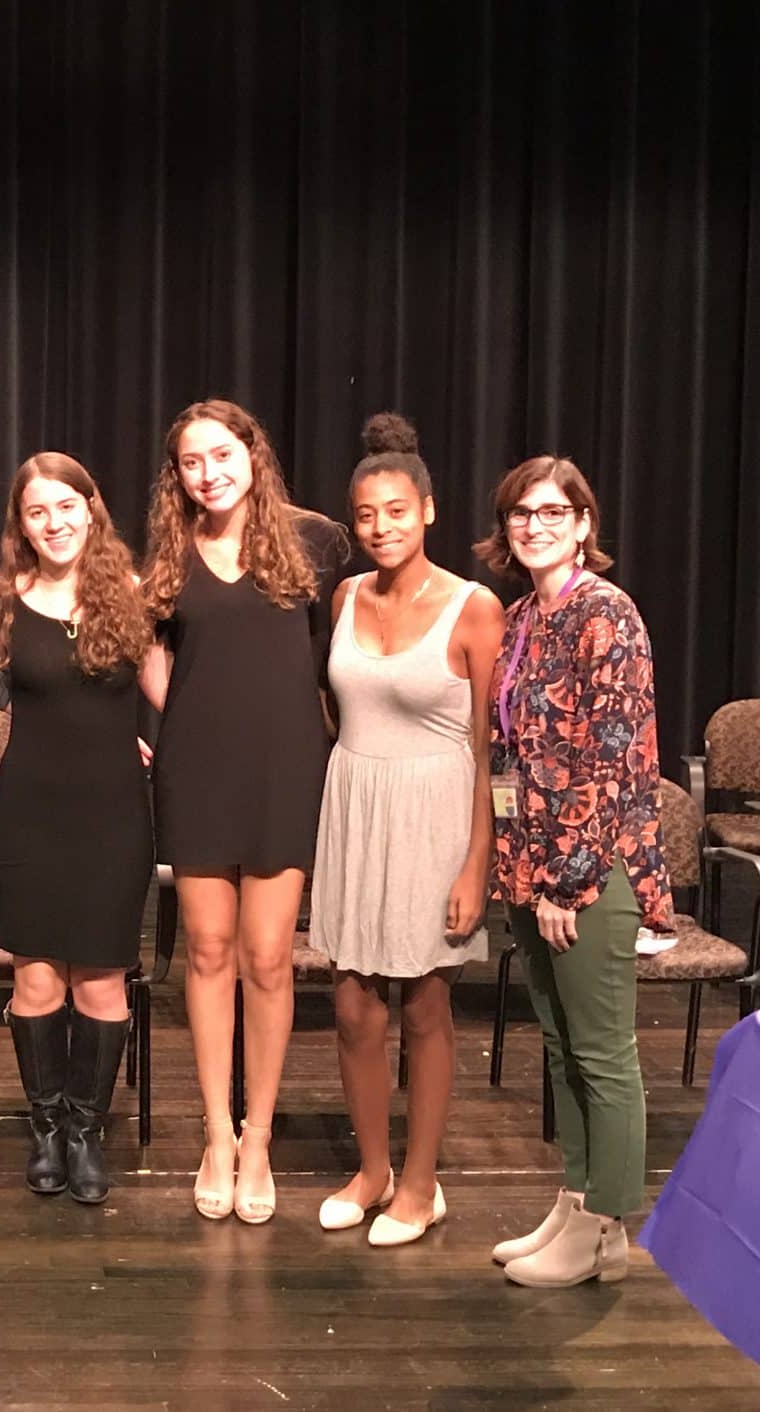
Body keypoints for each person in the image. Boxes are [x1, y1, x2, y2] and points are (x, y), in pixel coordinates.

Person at [140, 398, 348, 1223]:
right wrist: (181, 716)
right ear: (177, 475)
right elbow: (153, 653)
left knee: (267, 958)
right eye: (192, 462)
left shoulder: (313, 543)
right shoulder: (170, 556)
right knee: (208, 949)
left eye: (221, 455)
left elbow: (341, 651)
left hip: (282, 769)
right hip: (197, 771)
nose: (209, 473)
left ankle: (259, 1134)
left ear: (252, 454)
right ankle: (215, 1134)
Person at [476, 456, 671, 1287]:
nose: (536, 525)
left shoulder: (607, 615)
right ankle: (576, 1200)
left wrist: (567, 881)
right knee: (560, 1048)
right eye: (522, 513)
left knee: (601, 1051)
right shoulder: (524, 616)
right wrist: (518, 866)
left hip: (589, 871)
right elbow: (516, 751)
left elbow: (616, 760)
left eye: (555, 512)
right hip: (530, 862)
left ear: (585, 523)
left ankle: (605, 1225)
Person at [310, 413, 505, 1245]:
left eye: (396, 509)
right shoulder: (346, 595)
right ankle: (372, 1169)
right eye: (366, 515)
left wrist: (475, 867)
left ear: (426, 508)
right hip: (355, 808)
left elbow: (486, 748)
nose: (380, 527)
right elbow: (333, 707)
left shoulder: (474, 607)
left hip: (435, 817)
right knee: (353, 1007)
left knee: (425, 1006)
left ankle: (422, 1184)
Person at [0, 453, 153, 1204]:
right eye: (36, 512)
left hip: (113, 812)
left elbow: (173, 701)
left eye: (65, 506)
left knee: (102, 977)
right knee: (36, 976)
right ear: (22, 524)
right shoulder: (8, 600)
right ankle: (46, 1126)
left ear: (92, 507)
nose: (53, 523)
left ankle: (86, 1130)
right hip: (30, 811)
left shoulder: (135, 596)